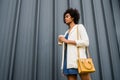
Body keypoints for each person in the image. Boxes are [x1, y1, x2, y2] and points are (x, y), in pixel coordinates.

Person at [58, 8, 91, 80]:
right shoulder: (66, 32)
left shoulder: (79, 27)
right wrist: (61, 39)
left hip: (79, 60)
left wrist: (67, 41)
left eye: (67, 16)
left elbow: (86, 42)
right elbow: (64, 44)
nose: (65, 18)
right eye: (65, 17)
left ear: (72, 17)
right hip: (68, 62)